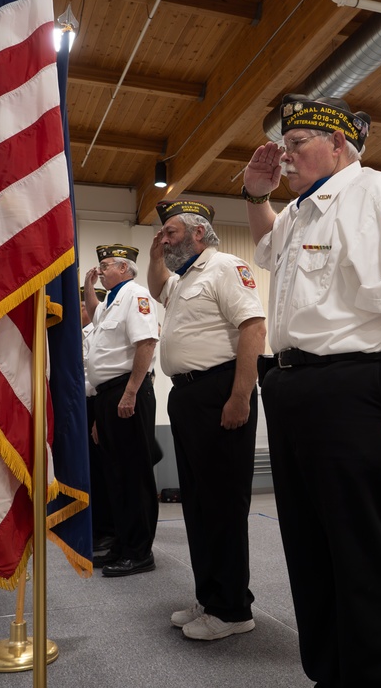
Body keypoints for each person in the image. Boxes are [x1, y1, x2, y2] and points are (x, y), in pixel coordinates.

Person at [242, 93, 381, 687]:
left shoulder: (378, 193)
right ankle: (330, 673)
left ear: (339, 145)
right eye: (285, 144)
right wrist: (256, 194)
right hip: (294, 385)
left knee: (362, 551)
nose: (288, 154)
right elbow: (267, 248)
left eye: (299, 144)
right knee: (308, 545)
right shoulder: (301, 210)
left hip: (353, 387)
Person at [147, 198, 267, 641]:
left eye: (172, 232)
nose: (166, 238)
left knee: (222, 505)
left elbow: (253, 328)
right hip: (188, 396)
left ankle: (233, 609)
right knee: (198, 505)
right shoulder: (183, 280)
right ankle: (210, 596)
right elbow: (157, 285)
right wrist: (158, 252)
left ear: (200, 233)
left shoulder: (225, 267)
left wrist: (240, 396)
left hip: (220, 392)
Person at [83, 244, 160, 577]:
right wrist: (88, 286)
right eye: (100, 264)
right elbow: (94, 311)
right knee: (114, 476)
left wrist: (129, 393)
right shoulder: (112, 301)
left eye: (107, 264)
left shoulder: (136, 295)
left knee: (133, 476)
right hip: (107, 396)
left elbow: (146, 343)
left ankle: (140, 552)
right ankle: (121, 544)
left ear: (126, 268)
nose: (102, 268)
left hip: (127, 391)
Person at [81, 287, 116, 559]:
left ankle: (106, 531)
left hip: (95, 401)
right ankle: (94, 528)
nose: (81, 309)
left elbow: (94, 372)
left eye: (85, 304)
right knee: (90, 470)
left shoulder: (98, 332)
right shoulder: (75, 334)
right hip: (83, 404)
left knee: (104, 472)